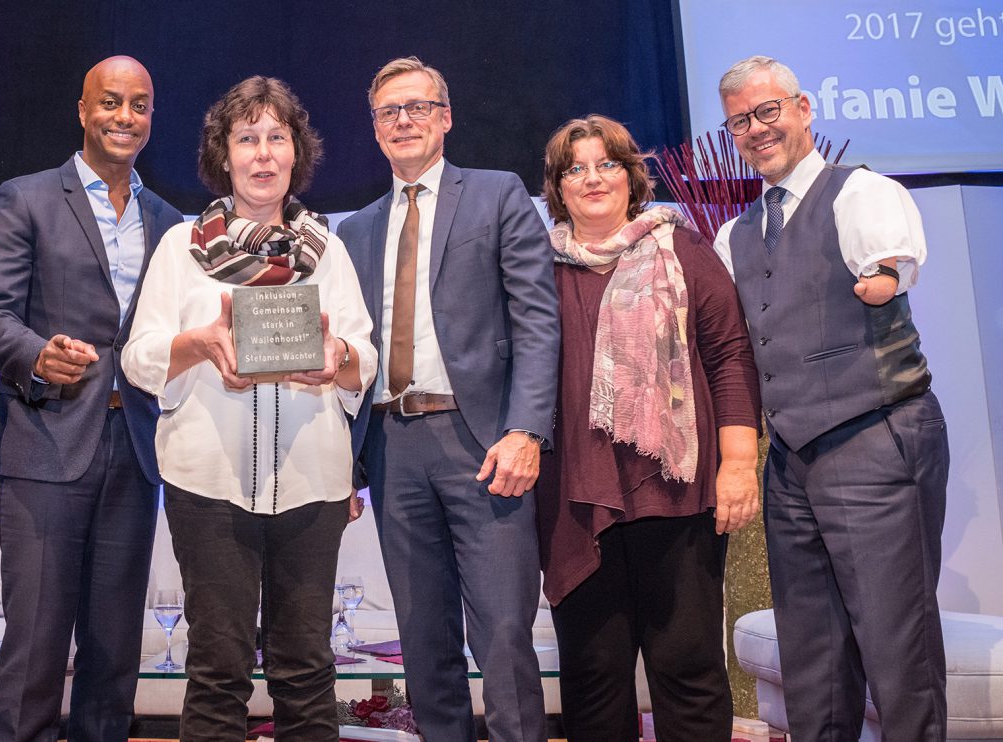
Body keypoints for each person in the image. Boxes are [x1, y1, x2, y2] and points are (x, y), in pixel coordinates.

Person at [122, 76, 376, 741]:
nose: (262, 155)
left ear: (297, 152)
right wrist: (199, 344)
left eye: (276, 138)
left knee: (306, 669)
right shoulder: (182, 248)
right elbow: (139, 356)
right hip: (207, 488)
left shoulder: (329, 250)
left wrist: (338, 358)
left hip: (312, 487)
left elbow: (366, 358)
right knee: (217, 668)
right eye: (246, 139)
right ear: (224, 154)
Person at [713, 55, 950, 742]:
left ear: (803, 108)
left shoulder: (860, 193)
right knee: (812, 652)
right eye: (740, 122)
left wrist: (882, 276)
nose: (757, 129)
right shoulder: (735, 233)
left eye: (768, 111)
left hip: (874, 437)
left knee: (894, 639)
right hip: (789, 459)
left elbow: (891, 260)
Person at [336, 57, 559, 742]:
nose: (403, 120)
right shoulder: (355, 229)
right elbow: (351, 354)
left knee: (501, 639)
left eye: (417, 106)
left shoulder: (497, 195)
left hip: (484, 443)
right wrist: (344, 463)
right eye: (388, 111)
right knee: (423, 645)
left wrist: (527, 429)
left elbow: (537, 321)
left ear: (446, 116)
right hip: (391, 447)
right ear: (374, 128)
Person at [0, 56, 183, 741]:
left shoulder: (169, 221)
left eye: (140, 105)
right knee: (34, 650)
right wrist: (37, 355)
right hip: (45, 447)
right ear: (83, 109)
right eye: (111, 102)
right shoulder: (26, 198)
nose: (126, 117)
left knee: (115, 652)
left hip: (134, 453)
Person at [535, 114, 762, 742]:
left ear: (631, 175)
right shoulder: (534, 267)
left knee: (686, 666)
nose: (592, 178)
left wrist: (739, 464)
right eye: (574, 168)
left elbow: (729, 356)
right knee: (593, 674)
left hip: (676, 492)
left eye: (605, 163)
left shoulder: (682, 250)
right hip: (576, 501)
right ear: (557, 187)